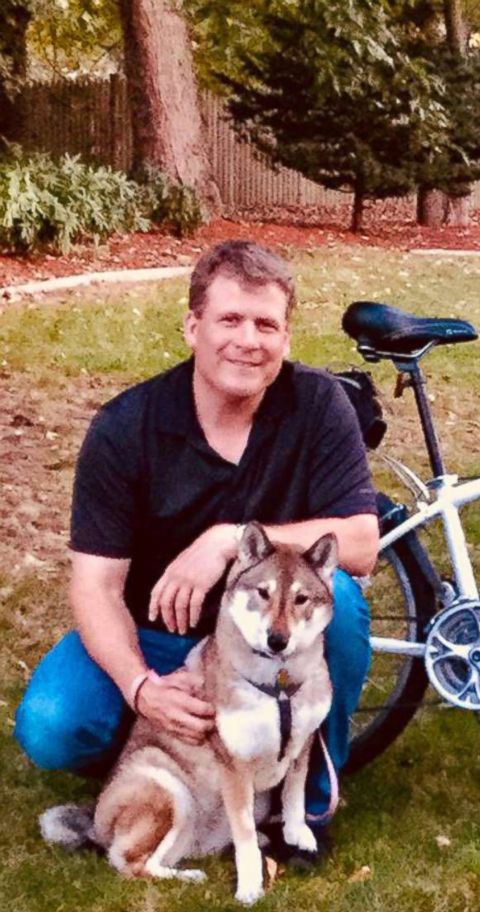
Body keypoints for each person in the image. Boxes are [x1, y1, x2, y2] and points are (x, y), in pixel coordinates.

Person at [14, 240, 378, 854]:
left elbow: (362, 542)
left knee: (335, 596)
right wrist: (141, 686)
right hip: (157, 636)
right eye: (229, 320)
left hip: (273, 629)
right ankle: (175, 761)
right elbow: (95, 586)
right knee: (52, 725)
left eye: (267, 324)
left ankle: (307, 792)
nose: (248, 340)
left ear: (286, 339)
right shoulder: (126, 427)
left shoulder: (318, 405)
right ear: (192, 326)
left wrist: (225, 541)